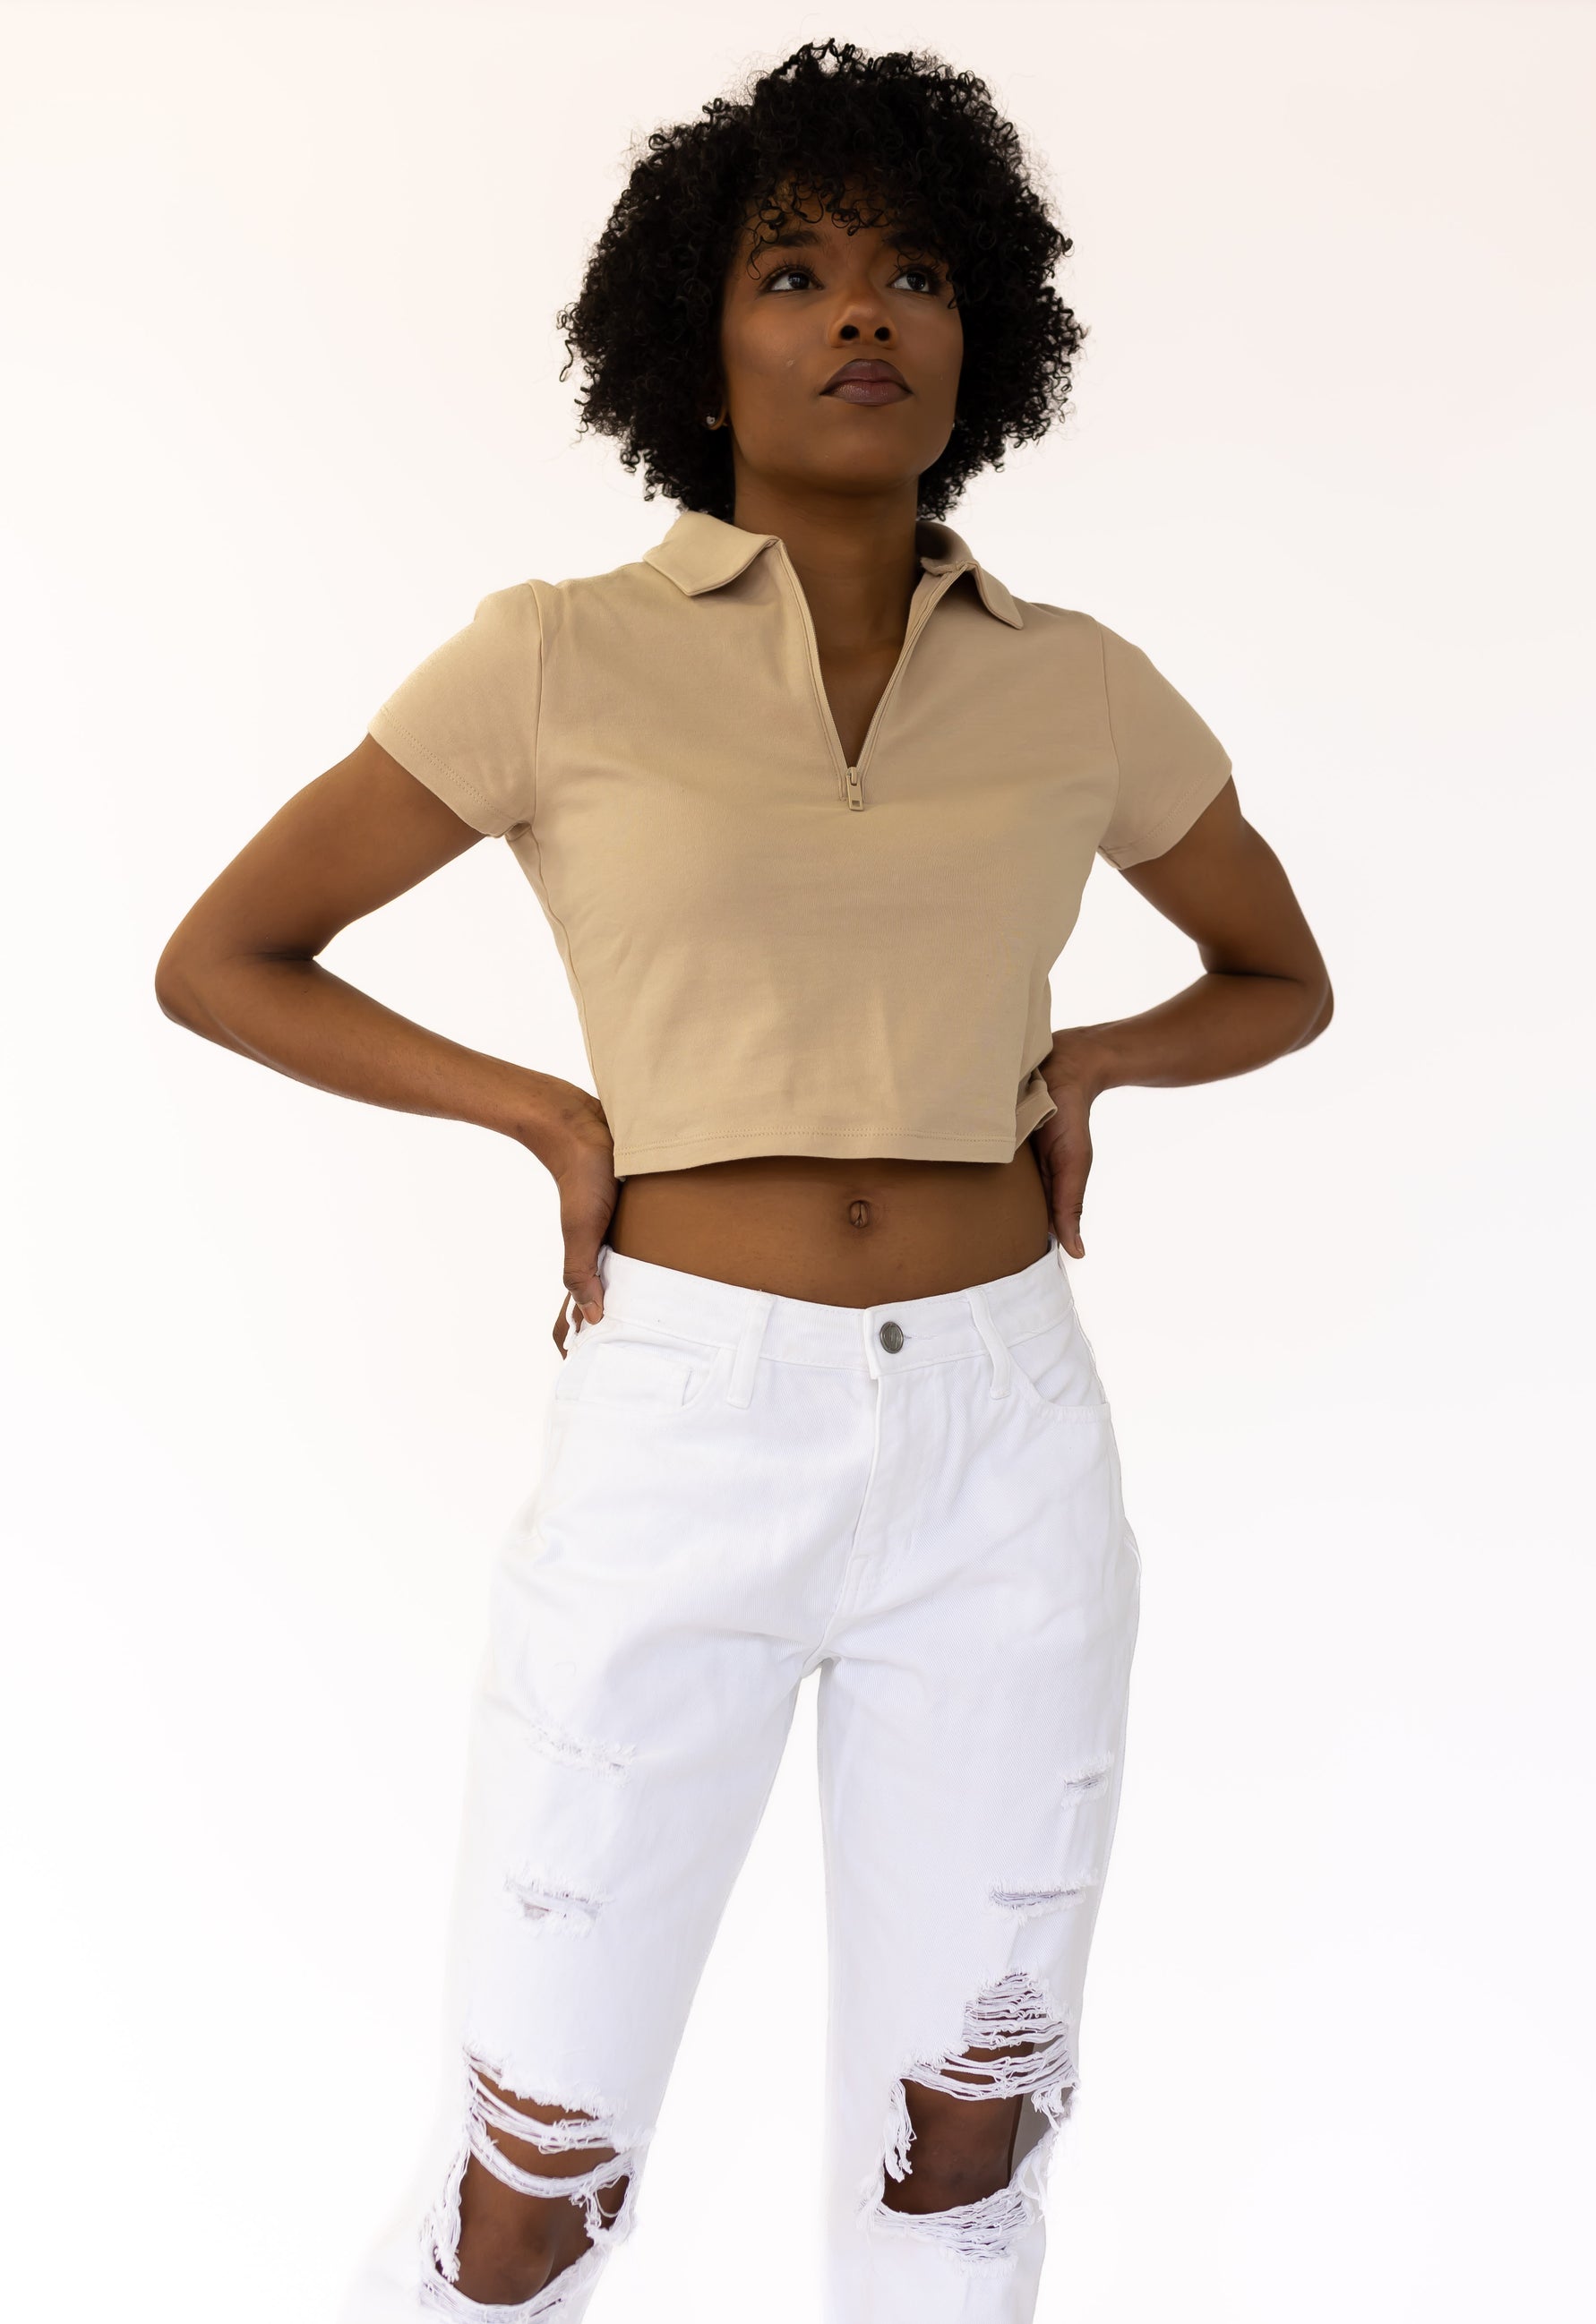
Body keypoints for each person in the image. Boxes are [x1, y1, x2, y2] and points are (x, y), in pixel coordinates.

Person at [156, 39, 1331, 2324]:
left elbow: (1279, 972)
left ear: (982, 337)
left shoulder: (1078, 686)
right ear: (695, 346)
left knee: (964, 2154)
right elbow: (226, 957)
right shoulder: (555, 655)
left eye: (913, 272)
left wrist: (1106, 1052)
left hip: (1001, 1445)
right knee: (528, 2182)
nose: (861, 310)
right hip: (682, 1423)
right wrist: (540, 1109)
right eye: (793, 272)